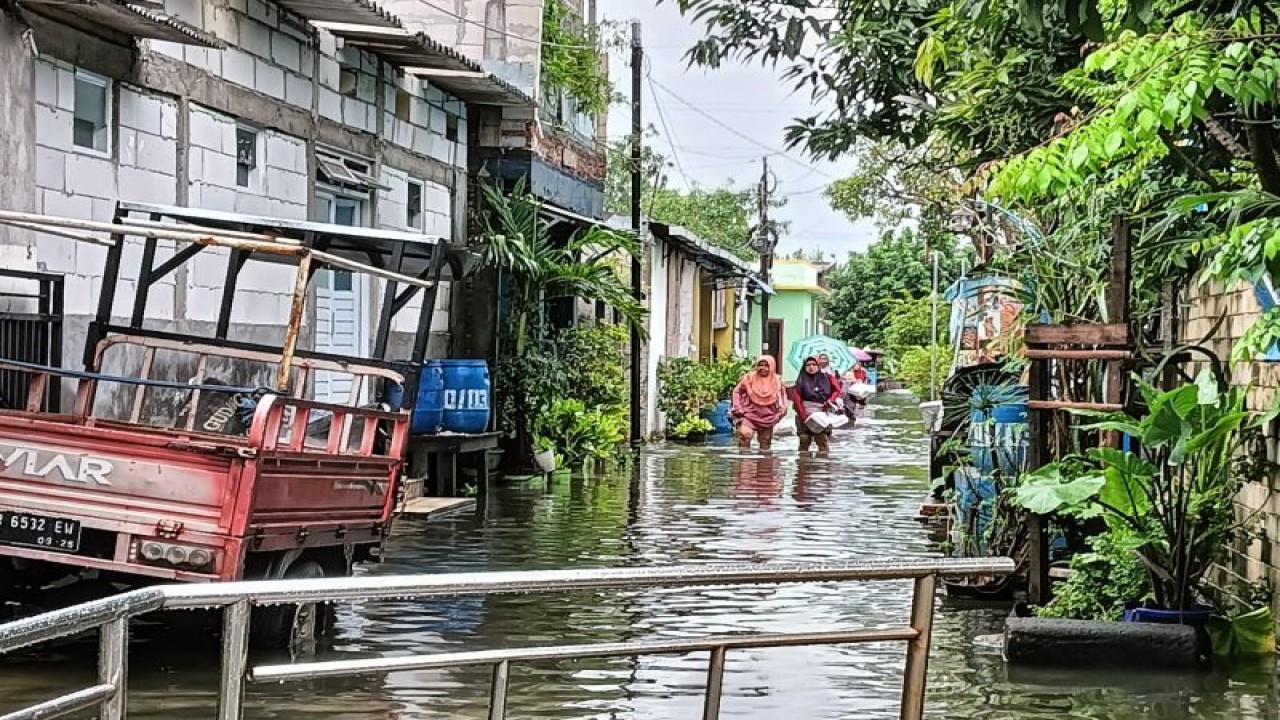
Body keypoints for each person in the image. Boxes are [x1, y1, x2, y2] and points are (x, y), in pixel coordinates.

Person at [730, 355, 787, 449]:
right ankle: (744, 461)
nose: (763, 368)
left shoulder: (778, 381)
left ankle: (764, 463)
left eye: (766, 365)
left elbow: (783, 397)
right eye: (760, 365)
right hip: (749, 414)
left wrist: (782, 411)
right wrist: (737, 407)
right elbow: (737, 391)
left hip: (768, 416)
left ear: (772, 366)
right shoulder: (749, 378)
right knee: (744, 435)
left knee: (765, 442)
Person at [790, 356, 841, 451]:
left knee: (822, 439)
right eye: (808, 365)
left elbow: (837, 390)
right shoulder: (800, 381)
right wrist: (803, 416)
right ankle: (803, 463)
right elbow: (797, 400)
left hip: (823, 412)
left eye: (814, 365)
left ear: (818, 366)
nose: (811, 367)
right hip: (805, 412)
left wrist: (830, 400)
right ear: (804, 367)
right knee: (804, 439)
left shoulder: (827, 378)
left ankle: (823, 464)